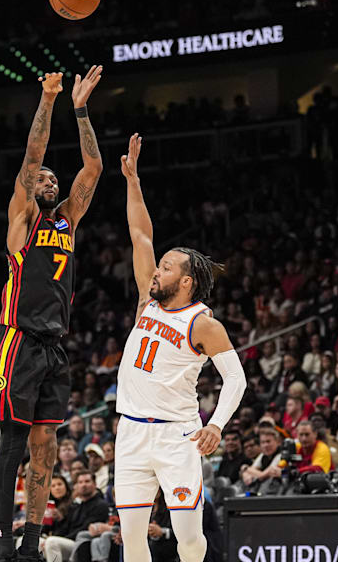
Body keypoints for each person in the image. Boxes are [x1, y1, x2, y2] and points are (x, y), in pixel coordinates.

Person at [112, 132, 247, 562]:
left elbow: (236, 379)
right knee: (132, 538)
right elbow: (140, 236)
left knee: (187, 539)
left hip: (177, 436)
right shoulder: (146, 303)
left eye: (167, 267)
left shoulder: (203, 324)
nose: (157, 271)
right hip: (131, 431)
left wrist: (217, 425)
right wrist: (132, 181)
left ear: (185, 281)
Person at [0, 66, 105, 562]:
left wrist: (81, 110)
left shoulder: (68, 220)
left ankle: (32, 543)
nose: (50, 179)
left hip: (55, 345)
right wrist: (50, 99)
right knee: (12, 443)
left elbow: (94, 168)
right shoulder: (24, 217)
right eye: (42, 177)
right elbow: (32, 154)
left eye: (54, 178)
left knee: (47, 447)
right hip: (18, 340)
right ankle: (2, 541)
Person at [40, 471, 108, 562]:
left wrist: (54, 539)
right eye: (80, 482)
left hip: (81, 543)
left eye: (87, 481)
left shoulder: (100, 505)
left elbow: (84, 529)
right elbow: (66, 527)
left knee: (51, 542)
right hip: (66, 541)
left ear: (95, 484)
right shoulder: (77, 505)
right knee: (28, 542)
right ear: (76, 486)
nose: (83, 485)